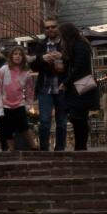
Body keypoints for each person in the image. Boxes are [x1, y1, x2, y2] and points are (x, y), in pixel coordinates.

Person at [58, 22, 98, 151]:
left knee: (79, 117)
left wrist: (66, 82)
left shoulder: (79, 45)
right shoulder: (79, 44)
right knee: (78, 118)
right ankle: (80, 146)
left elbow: (79, 68)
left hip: (81, 85)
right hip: (80, 85)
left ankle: (81, 146)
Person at [29, 17, 68, 151]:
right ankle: (44, 150)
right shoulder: (40, 45)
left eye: (53, 26)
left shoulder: (65, 44)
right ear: (44, 30)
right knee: (44, 121)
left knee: (62, 123)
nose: (50, 29)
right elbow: (33, 66)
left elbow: (72, 62)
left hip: (62, 88)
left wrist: (62, 59)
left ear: (58, 27)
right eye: (47, 27)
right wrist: (44, 59)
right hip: (45, 89)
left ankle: (60, 150)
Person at [0, 46, 34, 151]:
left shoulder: (26, 73)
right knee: (6, 129)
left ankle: (34, 146)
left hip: (19, 103)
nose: (18, 56)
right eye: (15, 54)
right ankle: (11, 148)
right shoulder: (3, 70)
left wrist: (28, 105)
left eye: (20, 54)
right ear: (11, 56)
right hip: (5, 104)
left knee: (24, 127)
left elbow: (30, 90)